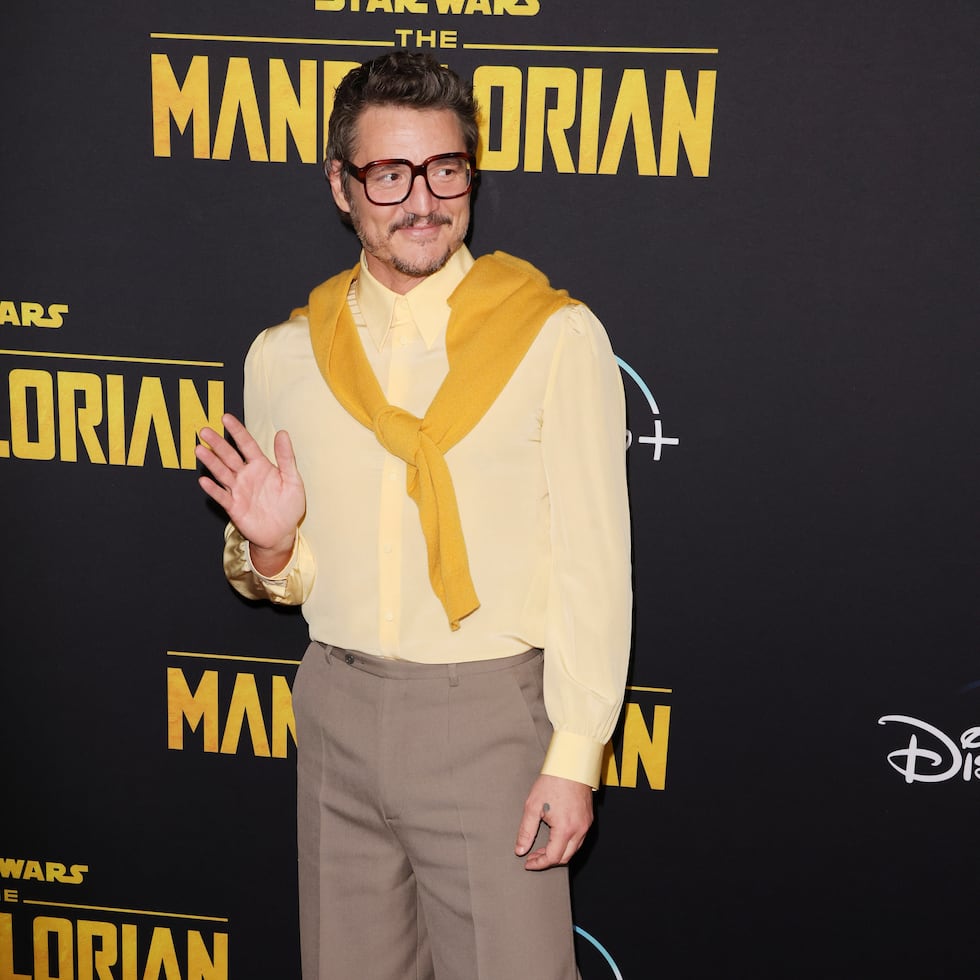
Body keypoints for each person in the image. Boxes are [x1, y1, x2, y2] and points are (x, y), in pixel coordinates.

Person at [195, 51, 632, 980]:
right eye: (389, 175)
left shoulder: (552, 337)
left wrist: (577, 752)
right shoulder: (285, 355)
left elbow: (594, 567)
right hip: (336, 711)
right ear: (342, 188)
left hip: (489, 723)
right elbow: (285, 573)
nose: (423, 200)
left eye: (445, 169)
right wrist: (270, 548)